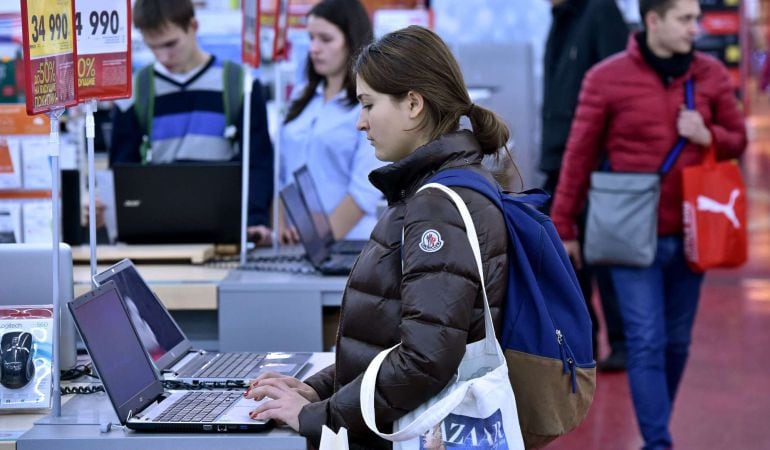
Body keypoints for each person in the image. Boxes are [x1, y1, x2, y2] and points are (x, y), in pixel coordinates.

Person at [244, 26, 511, 448]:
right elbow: (390, 343)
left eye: (368, 104)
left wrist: (320, 417)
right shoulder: (437, 187)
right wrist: (318, 389)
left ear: (413, 105)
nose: (360, 122)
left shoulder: (436, 206)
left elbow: (423, 361)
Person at [550, 0, 747, 448]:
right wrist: (563, 226)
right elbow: (578, 156)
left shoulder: (711, 76)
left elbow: (738, 140)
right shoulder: (606, 78)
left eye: (697, 19)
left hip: (696, 235)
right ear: (653, 20)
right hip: (629, 236)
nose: (694, 29)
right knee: (645, 340)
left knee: (676, 343)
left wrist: (708, 135)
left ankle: (656, 429)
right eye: (685, 19)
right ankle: (658, 442)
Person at [110, 0, 274, 243]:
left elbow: (258, 161)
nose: (163, 55)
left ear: (193, 26)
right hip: (156, 228)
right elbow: (122, 170)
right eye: (152, 47)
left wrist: (255, 218)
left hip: (225, 228)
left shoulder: (241, 84)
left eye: (170, 44)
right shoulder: (133, 92)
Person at [540, 0, 630, 371]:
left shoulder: (601, 12)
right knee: (569, 262)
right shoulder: (561, 21)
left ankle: (621, 344)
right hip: (561, 161)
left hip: (594, 163)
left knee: (602, 258)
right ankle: (583, 343)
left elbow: (618, 89)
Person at [279, 0, 383, 241]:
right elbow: (282, 176)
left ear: (352, 41)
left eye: (325, 39)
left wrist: (320, 241)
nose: (314, 48)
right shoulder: (300, 97)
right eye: (311, 38)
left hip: (348, 245)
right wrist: (280, 229)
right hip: (295, 245)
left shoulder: (367, 104)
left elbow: (364, 189)